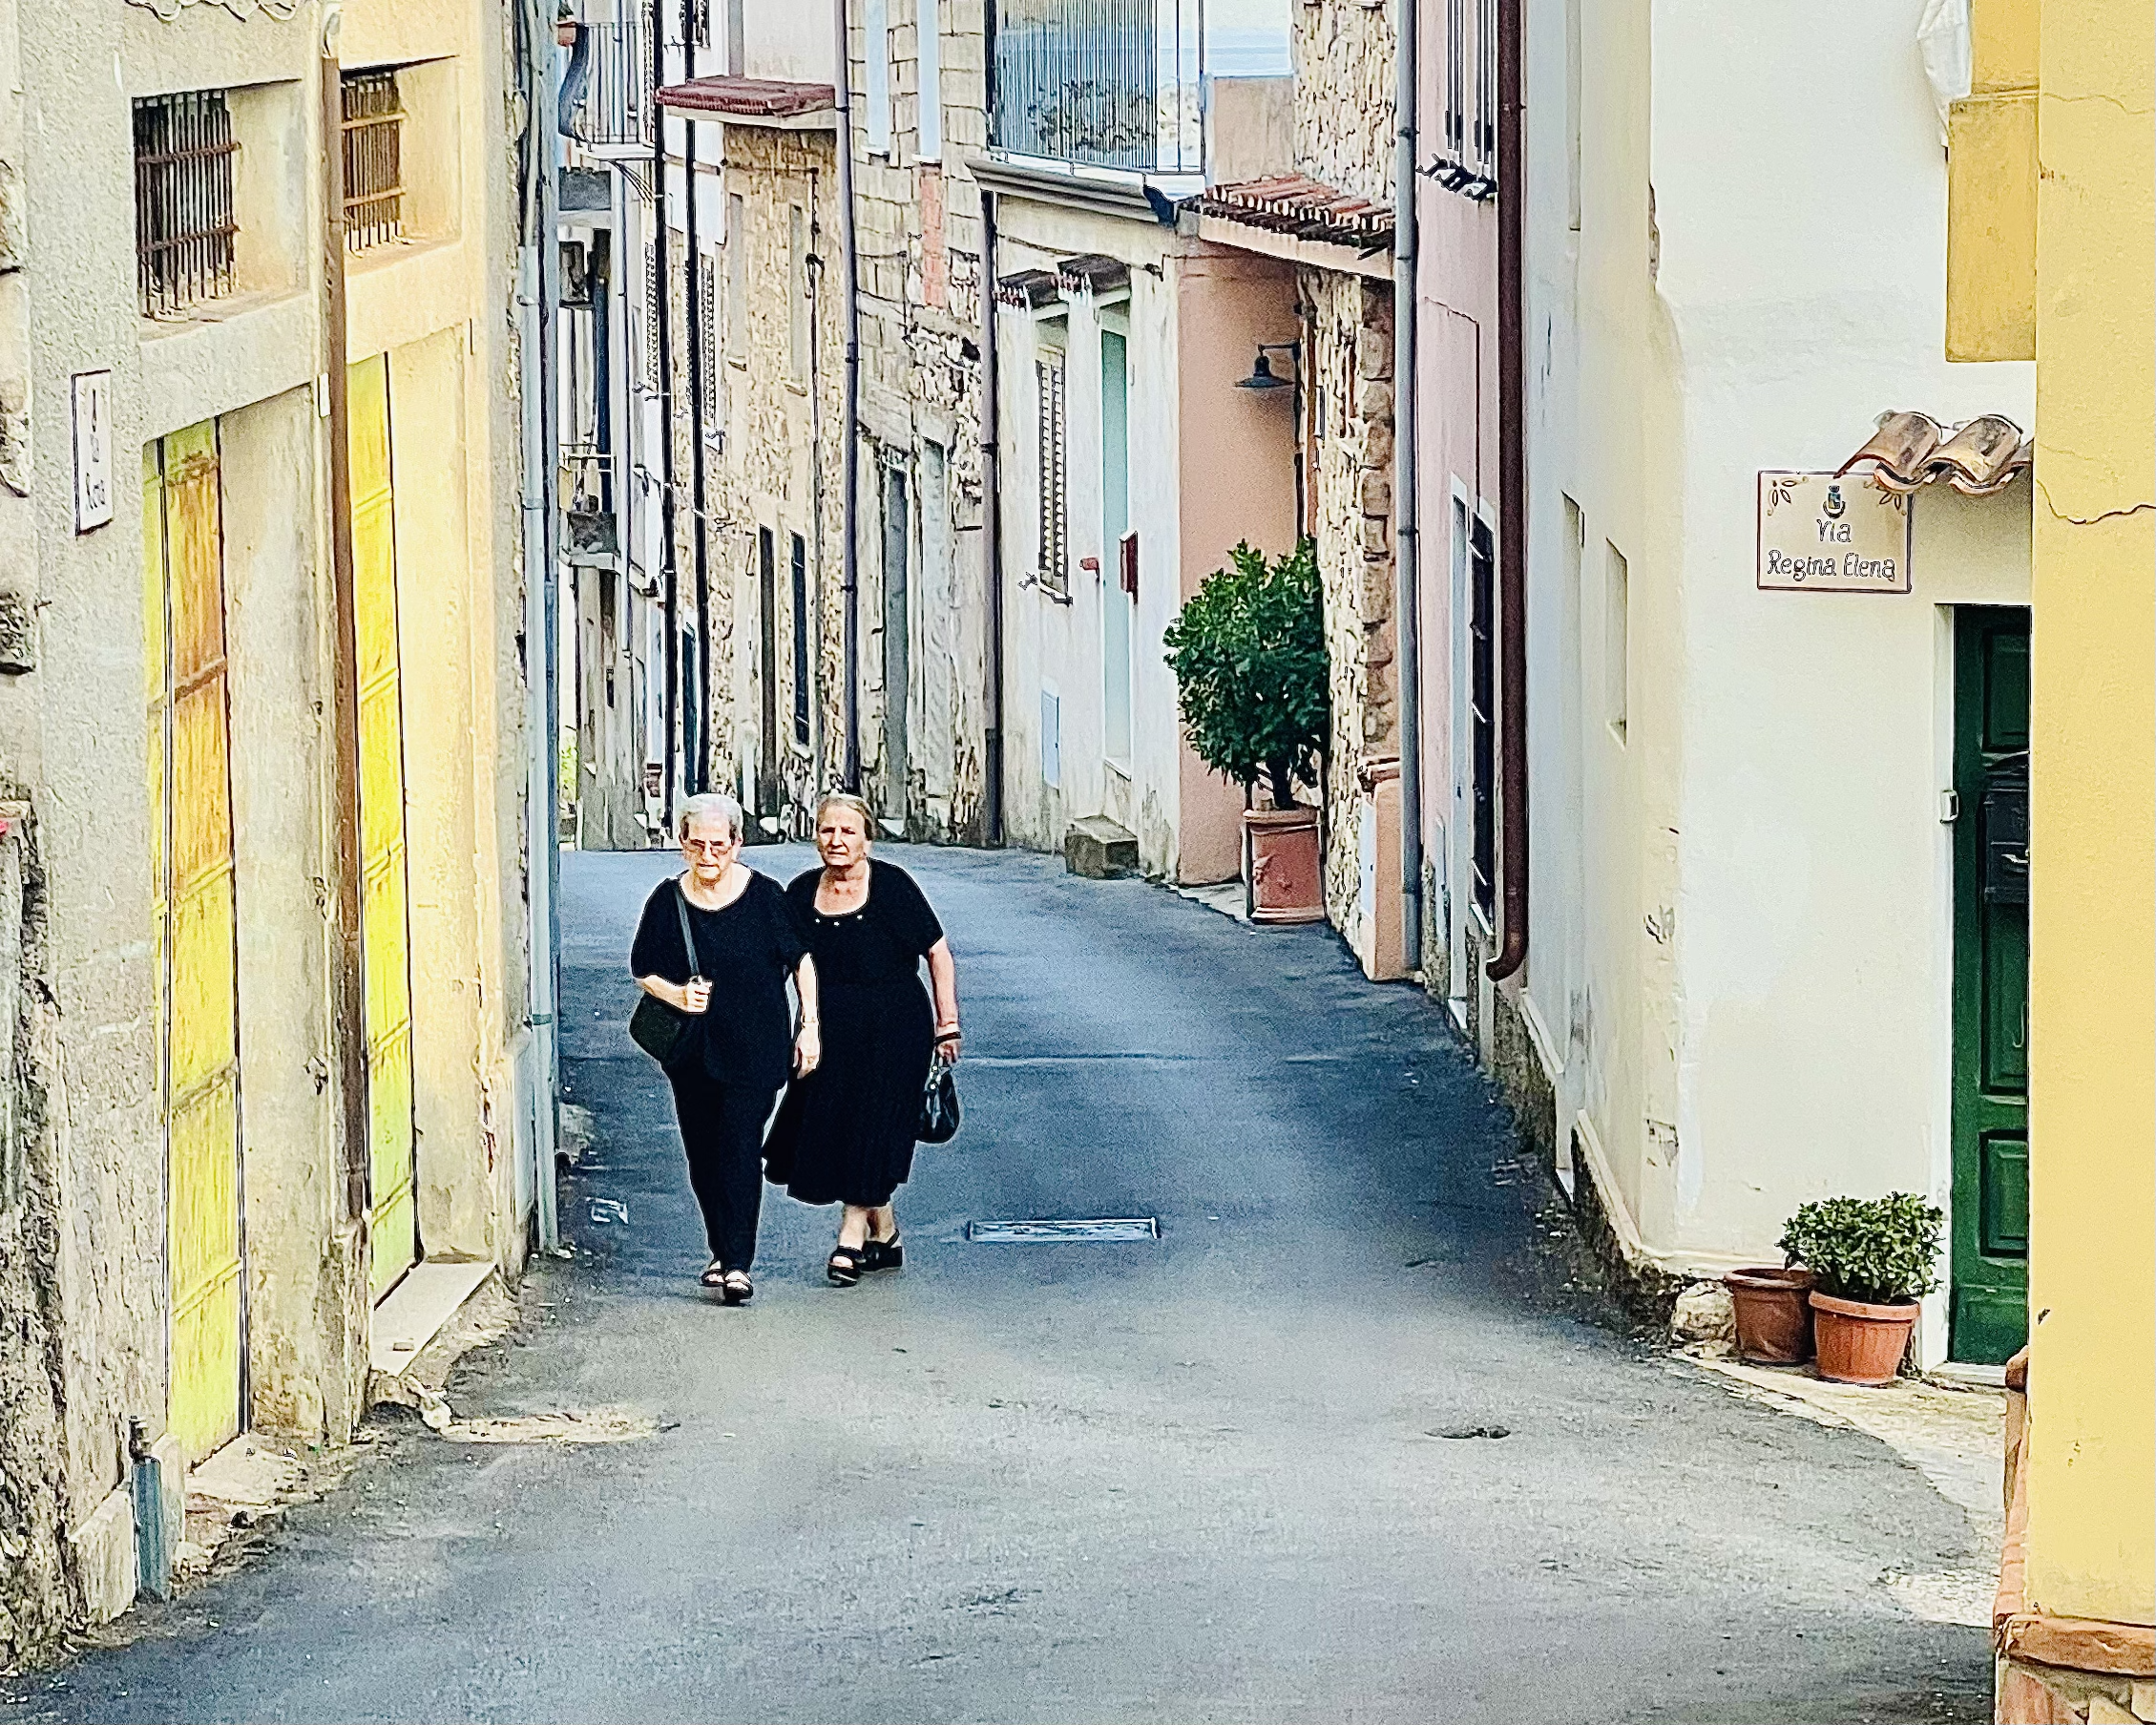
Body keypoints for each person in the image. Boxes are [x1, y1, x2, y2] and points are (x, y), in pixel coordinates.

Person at [764, 793, 960, 1286]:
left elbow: (937, 954)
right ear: (816, 836)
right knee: (835, 1128)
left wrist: (947, 1023)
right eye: (828, 830)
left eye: (848, 831)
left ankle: (850, 1235)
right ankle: (885, 1231)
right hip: (827, 1034)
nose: (837, 840)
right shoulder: (800, 893)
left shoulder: (893, 887)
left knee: (873, 1126)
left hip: (896, 1030)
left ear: (867, 839)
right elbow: (778, 961)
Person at [631, 792, 819, 1305]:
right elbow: (643, 967)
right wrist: (676, 994)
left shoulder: (765, 898)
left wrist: (810, 1027)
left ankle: (738, 1263)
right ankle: (720, 1248)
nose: (708, 854)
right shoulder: (667, 901)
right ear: (682, 844)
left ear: (737, 843)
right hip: (691, 1051)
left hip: (756, 1045)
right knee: (702, 1154)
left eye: (719, 844)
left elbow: (801, 960)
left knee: (738, 1147)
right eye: (697, 844)